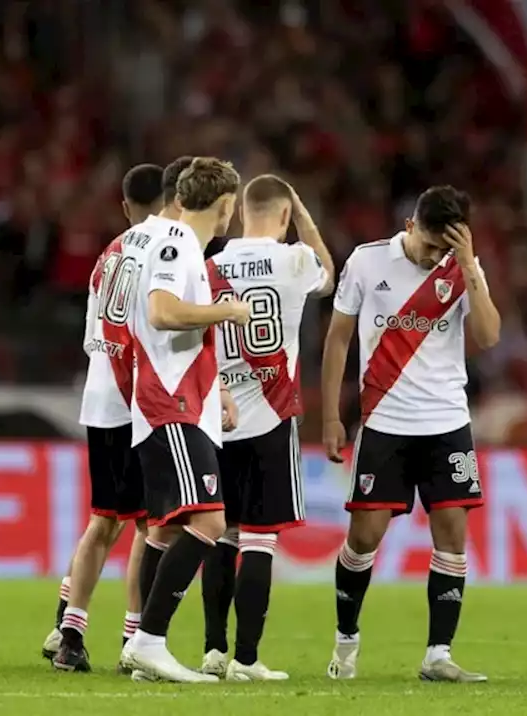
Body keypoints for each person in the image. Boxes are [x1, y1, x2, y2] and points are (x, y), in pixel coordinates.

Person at [321, 186, 500, 682]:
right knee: (364, 537)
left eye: (443, 249)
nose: (432, 257)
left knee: (453, 537)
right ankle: (346, 641)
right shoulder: (366, 263)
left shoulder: (462, 270)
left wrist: (467, 268)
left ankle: (438, 655)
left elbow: (488, 337)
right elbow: (337, 339)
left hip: (446, 422)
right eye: (427, 246)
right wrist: (333, 417)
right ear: (409, 226)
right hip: (385, 424)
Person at [47, 158, 198, 672]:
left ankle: (70, 630)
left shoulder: (109, 253)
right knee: (150, 526)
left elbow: (94, 336)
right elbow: (158, 325)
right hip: (140, 399)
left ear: (125, 205)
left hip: (101, 396)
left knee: (102, 521)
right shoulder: (168, 248)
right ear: (173, 200)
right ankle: (135, 638)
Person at [116, 157, 250, 683]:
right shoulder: (175, 244)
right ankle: (149, 642)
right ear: (223, 205)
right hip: (167, 402)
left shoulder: (176, 243)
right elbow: (162, 312)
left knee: (166, 531)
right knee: (211, 522)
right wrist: (226, 310)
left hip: (180, 400)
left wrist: (216, 393)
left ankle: (143, 646)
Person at [198, 175, 334, 681]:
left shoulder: (212, 267)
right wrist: (303, 217)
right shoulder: (295, 260)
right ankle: (247, 660)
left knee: (219, 536)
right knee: (259, 539)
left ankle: (213, 650)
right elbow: (330, 277)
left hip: (218, 417)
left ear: (238, 215)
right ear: (283, 216)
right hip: (271, 418)